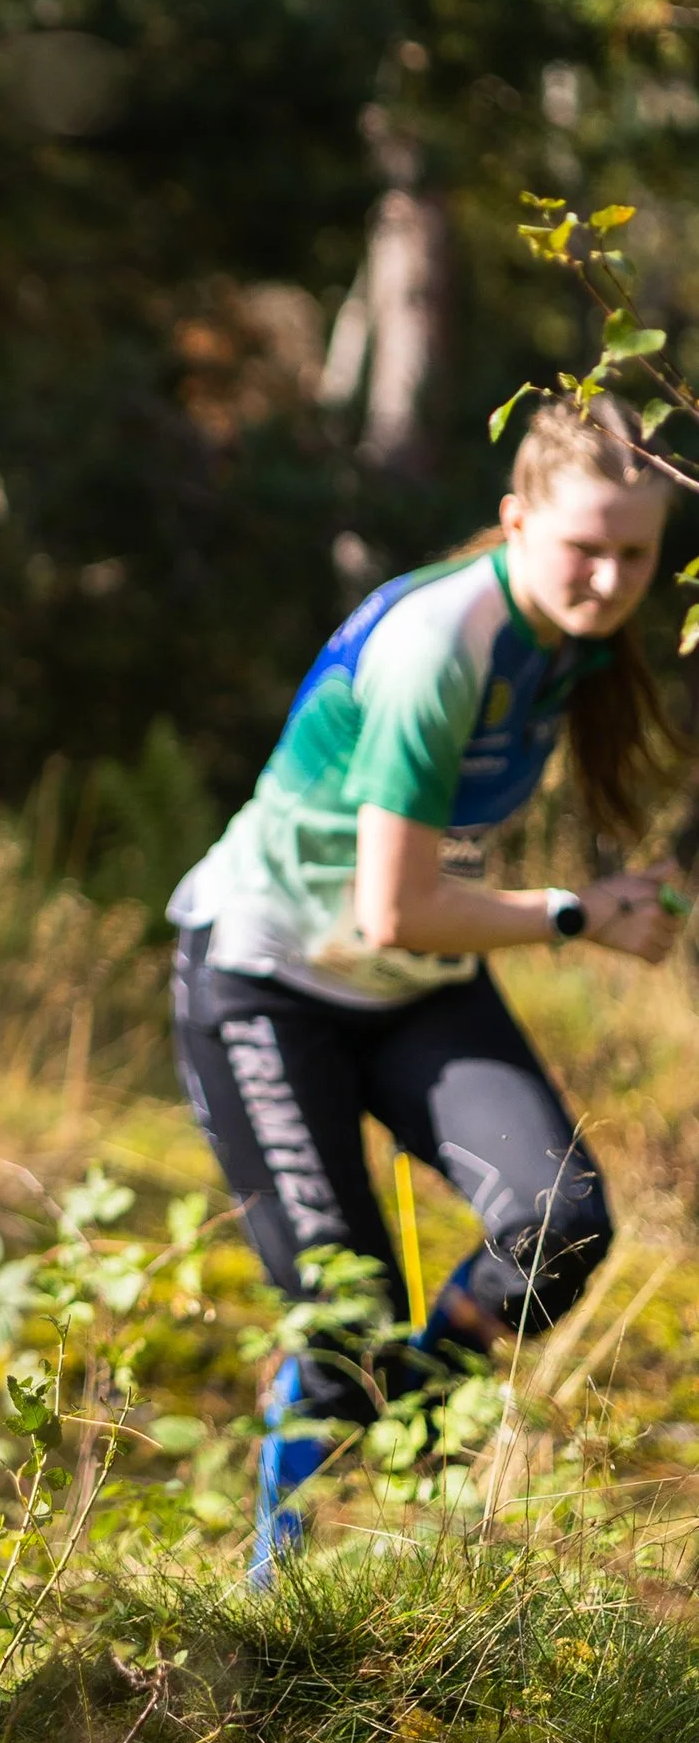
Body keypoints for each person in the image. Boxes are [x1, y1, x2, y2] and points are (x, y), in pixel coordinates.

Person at [167, 397, 683, 1580]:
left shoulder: (572, 638)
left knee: (560, 1225)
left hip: (411, 985)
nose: (607, 578)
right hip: (267, 981)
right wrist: (577, 914)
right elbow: (392, 905)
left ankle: (402, 1434)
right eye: (582, 547)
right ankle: (273, 1593)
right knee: (342, 1315)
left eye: (635, 554)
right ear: (513, 521)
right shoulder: (435, 645)